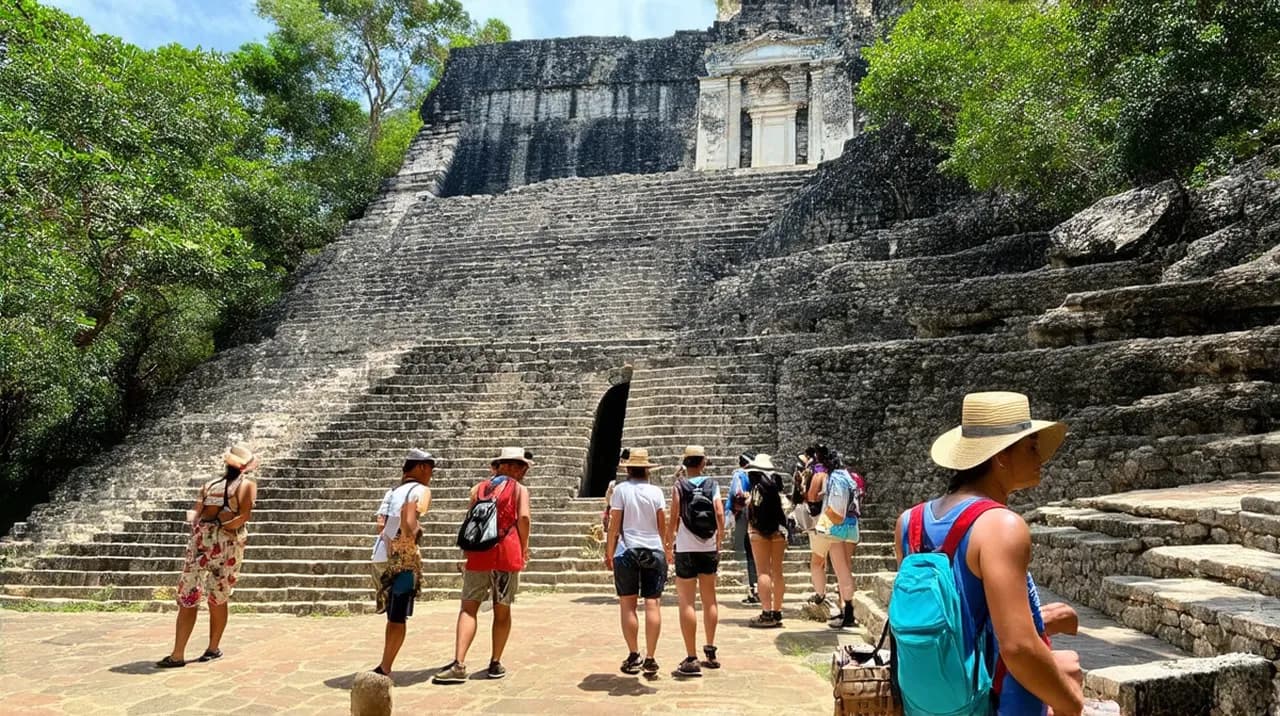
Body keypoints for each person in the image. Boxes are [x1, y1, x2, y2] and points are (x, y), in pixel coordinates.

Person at [893, 391, 1084, 716]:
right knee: (1070, 673)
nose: (1040, 457)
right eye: (1031, 446)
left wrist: (1041, 620)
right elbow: (1018, 648)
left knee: (1068, 662)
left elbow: (958, 614)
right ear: (1001, 457)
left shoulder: (910, 523)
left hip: (932, 705)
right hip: (997, 705)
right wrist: (1072, 705)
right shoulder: (1002, 526)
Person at [435, 447, 533, 683]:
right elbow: (524, 519)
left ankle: (458, 663)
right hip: (506, 552)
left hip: (479, 554)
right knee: (502, 609)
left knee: (469, 608)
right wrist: (524, 547)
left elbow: (470, 521)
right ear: (517, 468)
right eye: (522, 467)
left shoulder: (478, 489)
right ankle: (495, 662)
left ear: (498, 466)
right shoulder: (519, 490)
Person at [157, 443, 259, 668]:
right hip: (227, 543)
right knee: (218, 596)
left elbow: (194, 514)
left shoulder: (209, 485)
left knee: (188, 597)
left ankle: (177, 653)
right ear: (246, 468)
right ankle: (212, 648)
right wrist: (224, 525)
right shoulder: (246, 485)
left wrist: (203, 528)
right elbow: (244, 515)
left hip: (201, 541)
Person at [369, 448, 435, 675]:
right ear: (422, 467)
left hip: (381, 557)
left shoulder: (392, 491)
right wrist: (417, 531)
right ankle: (385, 666)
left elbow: (380, 523)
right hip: (403, 562)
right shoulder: (421, 490)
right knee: (399, 616)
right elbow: (409, 521)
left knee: (392, 615)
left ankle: (385, 662)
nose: (431, 474)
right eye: (431, 469)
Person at [606, 447, 668, 676]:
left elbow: (614, 525)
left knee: (628, 604)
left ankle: (634, 654)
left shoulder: (620, 490)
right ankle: (651, 657)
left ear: (629, 469)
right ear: (647, 471)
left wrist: (609, 551)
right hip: (654, 550)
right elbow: (662, 525)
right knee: (653, 604)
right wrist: (667, 550)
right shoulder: (656, 493)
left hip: (627, 550)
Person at [663, 445, 724, 677]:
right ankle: (710, 649)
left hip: (686, 548)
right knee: (710, 599)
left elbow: (675, 515)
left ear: (685, 463)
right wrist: (720, 538)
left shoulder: (679, 485)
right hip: (708, 546)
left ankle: (691, 657)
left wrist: (669, 543)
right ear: (703, 462)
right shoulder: (712, 485)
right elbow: (719, 512)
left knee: (687, 602)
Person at [814, 451, 862, 630]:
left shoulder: (835, 478)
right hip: (851, 525)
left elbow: (837, 510)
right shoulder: (849, 477)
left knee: (842, 571)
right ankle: (847, 610)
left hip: (837, 529)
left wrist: (825, 513)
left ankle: (848, 612)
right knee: (845, 570)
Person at [744, 454, 788, 629]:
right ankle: (777, 611)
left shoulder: (756, 489)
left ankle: (766, 612)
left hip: (758, 532)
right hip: (778, 531)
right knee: (777, 571)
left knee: (763, 572)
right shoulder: (775, 487)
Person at [726, 452, 759, 604]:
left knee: (750, 555)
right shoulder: (760, 475)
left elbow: (734, 494)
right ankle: (762, 590)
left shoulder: (739, 475)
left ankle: (754, 590)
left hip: (745, 517)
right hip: (760, 518)